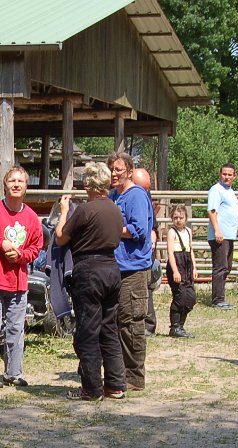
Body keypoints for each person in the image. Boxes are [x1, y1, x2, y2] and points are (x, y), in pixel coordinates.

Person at [56, 162, 127, 401]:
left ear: (89, 184)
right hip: (111, 268)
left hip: (88, 270)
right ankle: (116, 385)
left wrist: (64, 210)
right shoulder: (116, 209)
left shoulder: (85, 210)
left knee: (88, 331)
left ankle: (91, 388)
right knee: (109, 328)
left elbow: (60, 237)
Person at [0, 165, 44, 389]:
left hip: (18, 283)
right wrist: (0, 244)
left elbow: (36, 248)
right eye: (12, 181)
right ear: (5, 185)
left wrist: (20, 255)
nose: (16, 184)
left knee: (15, 331)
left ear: (26, 186)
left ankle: (13, 374)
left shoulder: (32, 218)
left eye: (20, 181)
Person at [107, 152, 154, 391]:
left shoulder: (136, 196)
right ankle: (119, 372)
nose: (114, 173)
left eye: (118, 169)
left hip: (133, 269)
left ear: (128, 170)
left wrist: (112, 228)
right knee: (116, 322)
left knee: (131, 323)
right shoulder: (114, 195)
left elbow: (140, 230)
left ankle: (134, 375)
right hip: (116, 267)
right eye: (111, 169)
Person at [207, 163, 238, 309]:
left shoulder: (230, 191)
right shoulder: (216, 190)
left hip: (229, 234)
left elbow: (229, 210)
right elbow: (212, 210)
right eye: (224, 174)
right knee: (220, 267)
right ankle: (217, 300)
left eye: (230, 174)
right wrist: (217, 230)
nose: (226, 177)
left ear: (235, 176)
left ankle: (220, 297)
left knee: (227, 266)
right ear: (220, 174)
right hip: (220, 234)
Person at [132, 167, 162, 336]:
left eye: (147, 189)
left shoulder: (144, 193)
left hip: (144, 245)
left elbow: (152, 220)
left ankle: (148, 325)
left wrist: (154, 233)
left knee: (147, 283)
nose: (145, 192)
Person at [165, 204, 198, 338]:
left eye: (181, 217)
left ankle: (181, 325)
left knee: (190, 296)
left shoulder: (188, 231)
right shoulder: (172, 232)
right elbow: (170, 253)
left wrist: (194, 267)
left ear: (186, 218)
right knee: (180, 296)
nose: (178, 220)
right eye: (175, 217)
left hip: (187, 263)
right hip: (176, 263)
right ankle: (175, 326)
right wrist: (175, 271)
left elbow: (191, 250)